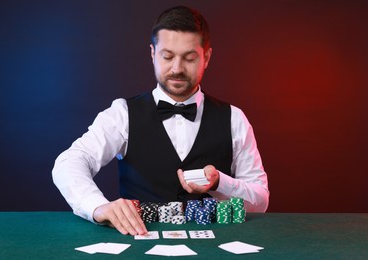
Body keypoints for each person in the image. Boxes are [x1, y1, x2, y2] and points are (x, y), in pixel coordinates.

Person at [52, 5, 269, 236]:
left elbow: (261, 200)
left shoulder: (234, 118)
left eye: (189, 58)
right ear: (153, 54)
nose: (177, 68)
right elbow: (70, 162)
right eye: (167, 56)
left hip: (216, 248)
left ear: (206, 57)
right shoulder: (122, 113)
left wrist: (219, 183)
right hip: (139, 244)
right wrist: (96, 206)